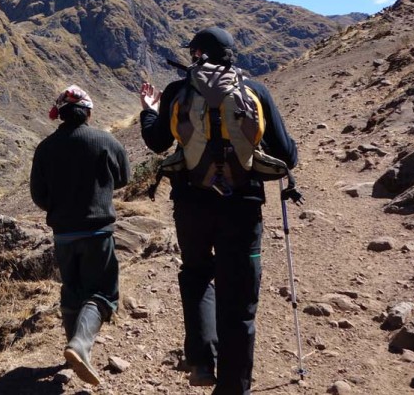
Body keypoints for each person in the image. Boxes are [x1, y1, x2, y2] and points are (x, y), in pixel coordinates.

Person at [139, 27, 298, 395]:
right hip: (243, 208)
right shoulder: (255, 91)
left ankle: (201, 360)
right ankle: (232, 388)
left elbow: (156, 141)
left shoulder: (179, 91)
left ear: (196, 54)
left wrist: (149, 112)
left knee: (196, 275)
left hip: (191, 206)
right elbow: (287, 155)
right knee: (239, 303)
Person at [30, 84, 131, 386]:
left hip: (63, 234)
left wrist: (60, 209)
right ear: (87, 112)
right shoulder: (105, 141)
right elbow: (124, 178)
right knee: (102, 292)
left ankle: (71, 350)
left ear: (60, 114)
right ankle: (80, 345)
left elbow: (38, 194)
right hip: (97, 231)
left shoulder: (45, 148)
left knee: (72, 289)